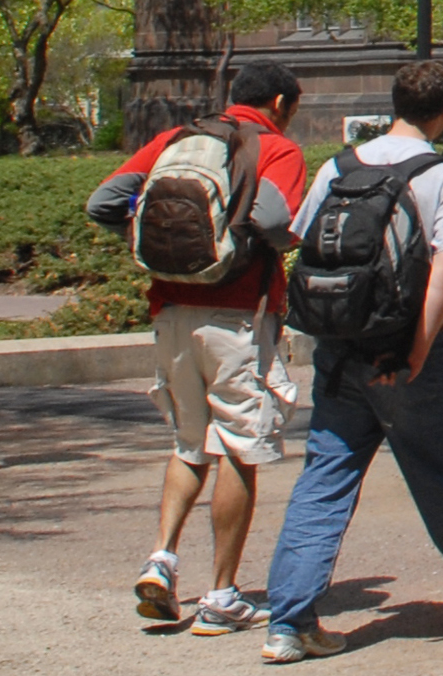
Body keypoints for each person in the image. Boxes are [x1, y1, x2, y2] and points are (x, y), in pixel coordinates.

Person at [261, 56, 443, 661]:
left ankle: (288, 624)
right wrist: (417, 353)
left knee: (323, 479)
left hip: (340, 348)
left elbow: (302, 244)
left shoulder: (337, 167)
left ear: (393, 103)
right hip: (407, 350)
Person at [86, 59, 311, 636]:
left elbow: (103, 203)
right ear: (281, 104)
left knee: (190, 442)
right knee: (239, 446)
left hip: (169, 307)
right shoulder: (276, 149)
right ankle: (221, 596)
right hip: (238, 316)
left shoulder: (176, 139)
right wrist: (279, 244)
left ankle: (161, 559)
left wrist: (155, 245)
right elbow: (272, 220)